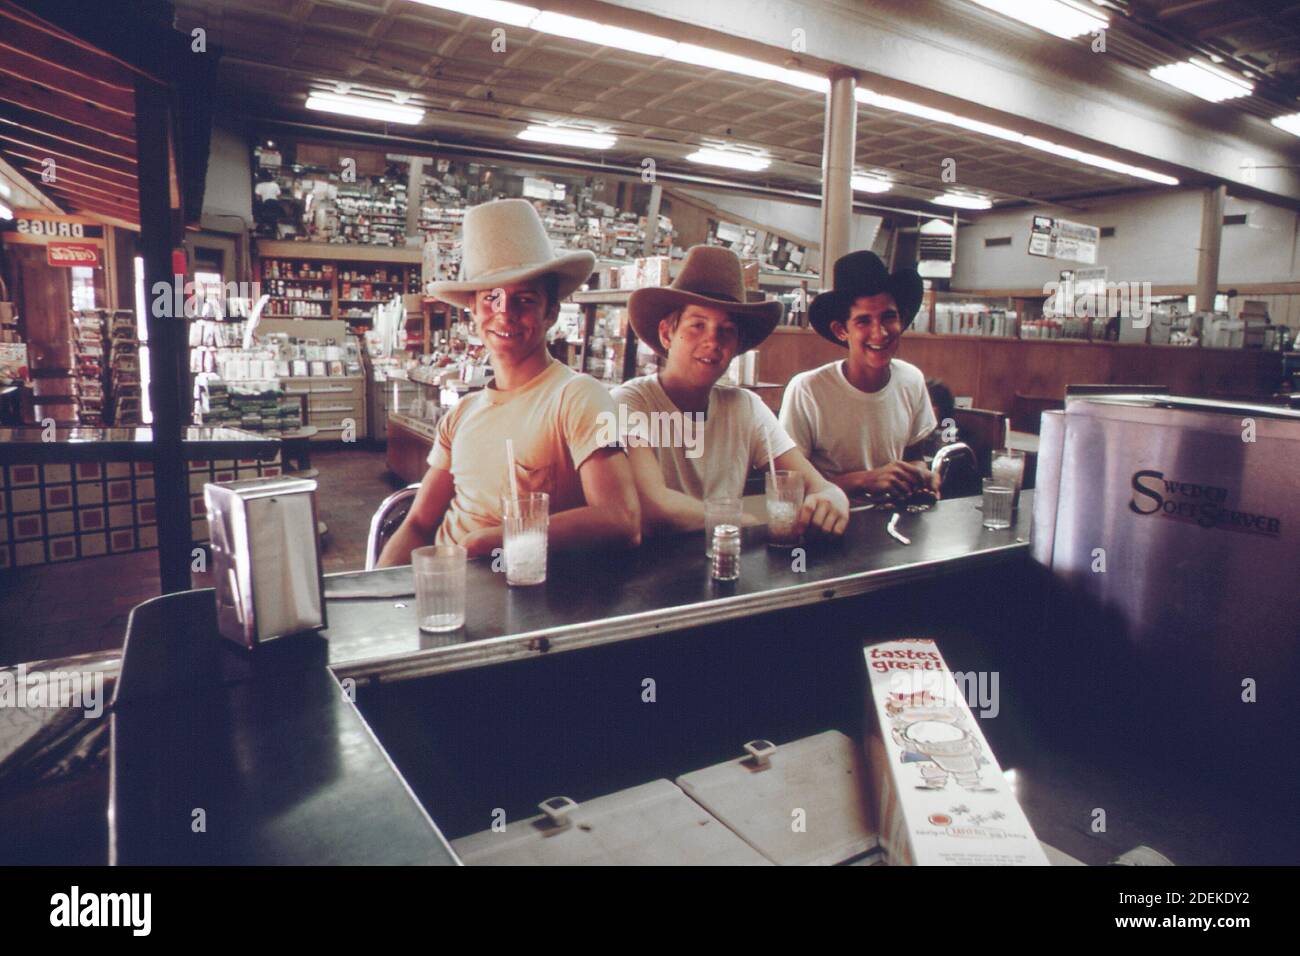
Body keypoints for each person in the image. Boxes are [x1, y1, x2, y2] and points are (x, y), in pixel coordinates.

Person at [377, 199, 640, 567]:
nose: (505, 313)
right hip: (443, 590)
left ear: (550, 312)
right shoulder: (463, 413)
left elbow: (621, 519)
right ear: (473, 310)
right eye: (491, 298)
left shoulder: (577, 397)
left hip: (513, 598)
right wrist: (374, 590)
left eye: (525, 300)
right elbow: (419, 524)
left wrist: (494, 540)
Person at [614, 245, 849, 538]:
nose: (712, 341)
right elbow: (654, 506)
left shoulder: (744, 406)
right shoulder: (629, 403)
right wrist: (748, 521)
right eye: (697, 325)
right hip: (648, 575)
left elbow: (814, 483)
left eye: (726, 330)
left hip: (727, 567)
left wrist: (833, 497)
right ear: (666, 333)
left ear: (737, 344)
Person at [779, 251, 939, 501]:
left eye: (888, 317)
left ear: (902, 319)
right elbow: (787, 485)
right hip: (828, 525)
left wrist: (920, 475)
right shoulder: (807, 390)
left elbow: (914, 456)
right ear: (841, 330)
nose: (880, 333)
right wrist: (865, 480)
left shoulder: (912, 379)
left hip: (896, 523)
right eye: (863, 321)